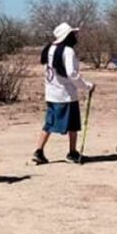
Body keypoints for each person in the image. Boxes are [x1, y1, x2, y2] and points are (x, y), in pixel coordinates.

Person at [32, 23, 94, 165]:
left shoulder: (49, 49)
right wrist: (87, 86)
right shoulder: (67, 51)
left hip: (51, 93)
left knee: (49, 123)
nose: (75, 37)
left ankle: (39, 150)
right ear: (67, 36)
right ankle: (72, 152)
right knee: (72, 124)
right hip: (66, 94)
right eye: (73, 34)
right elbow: (72, 73)